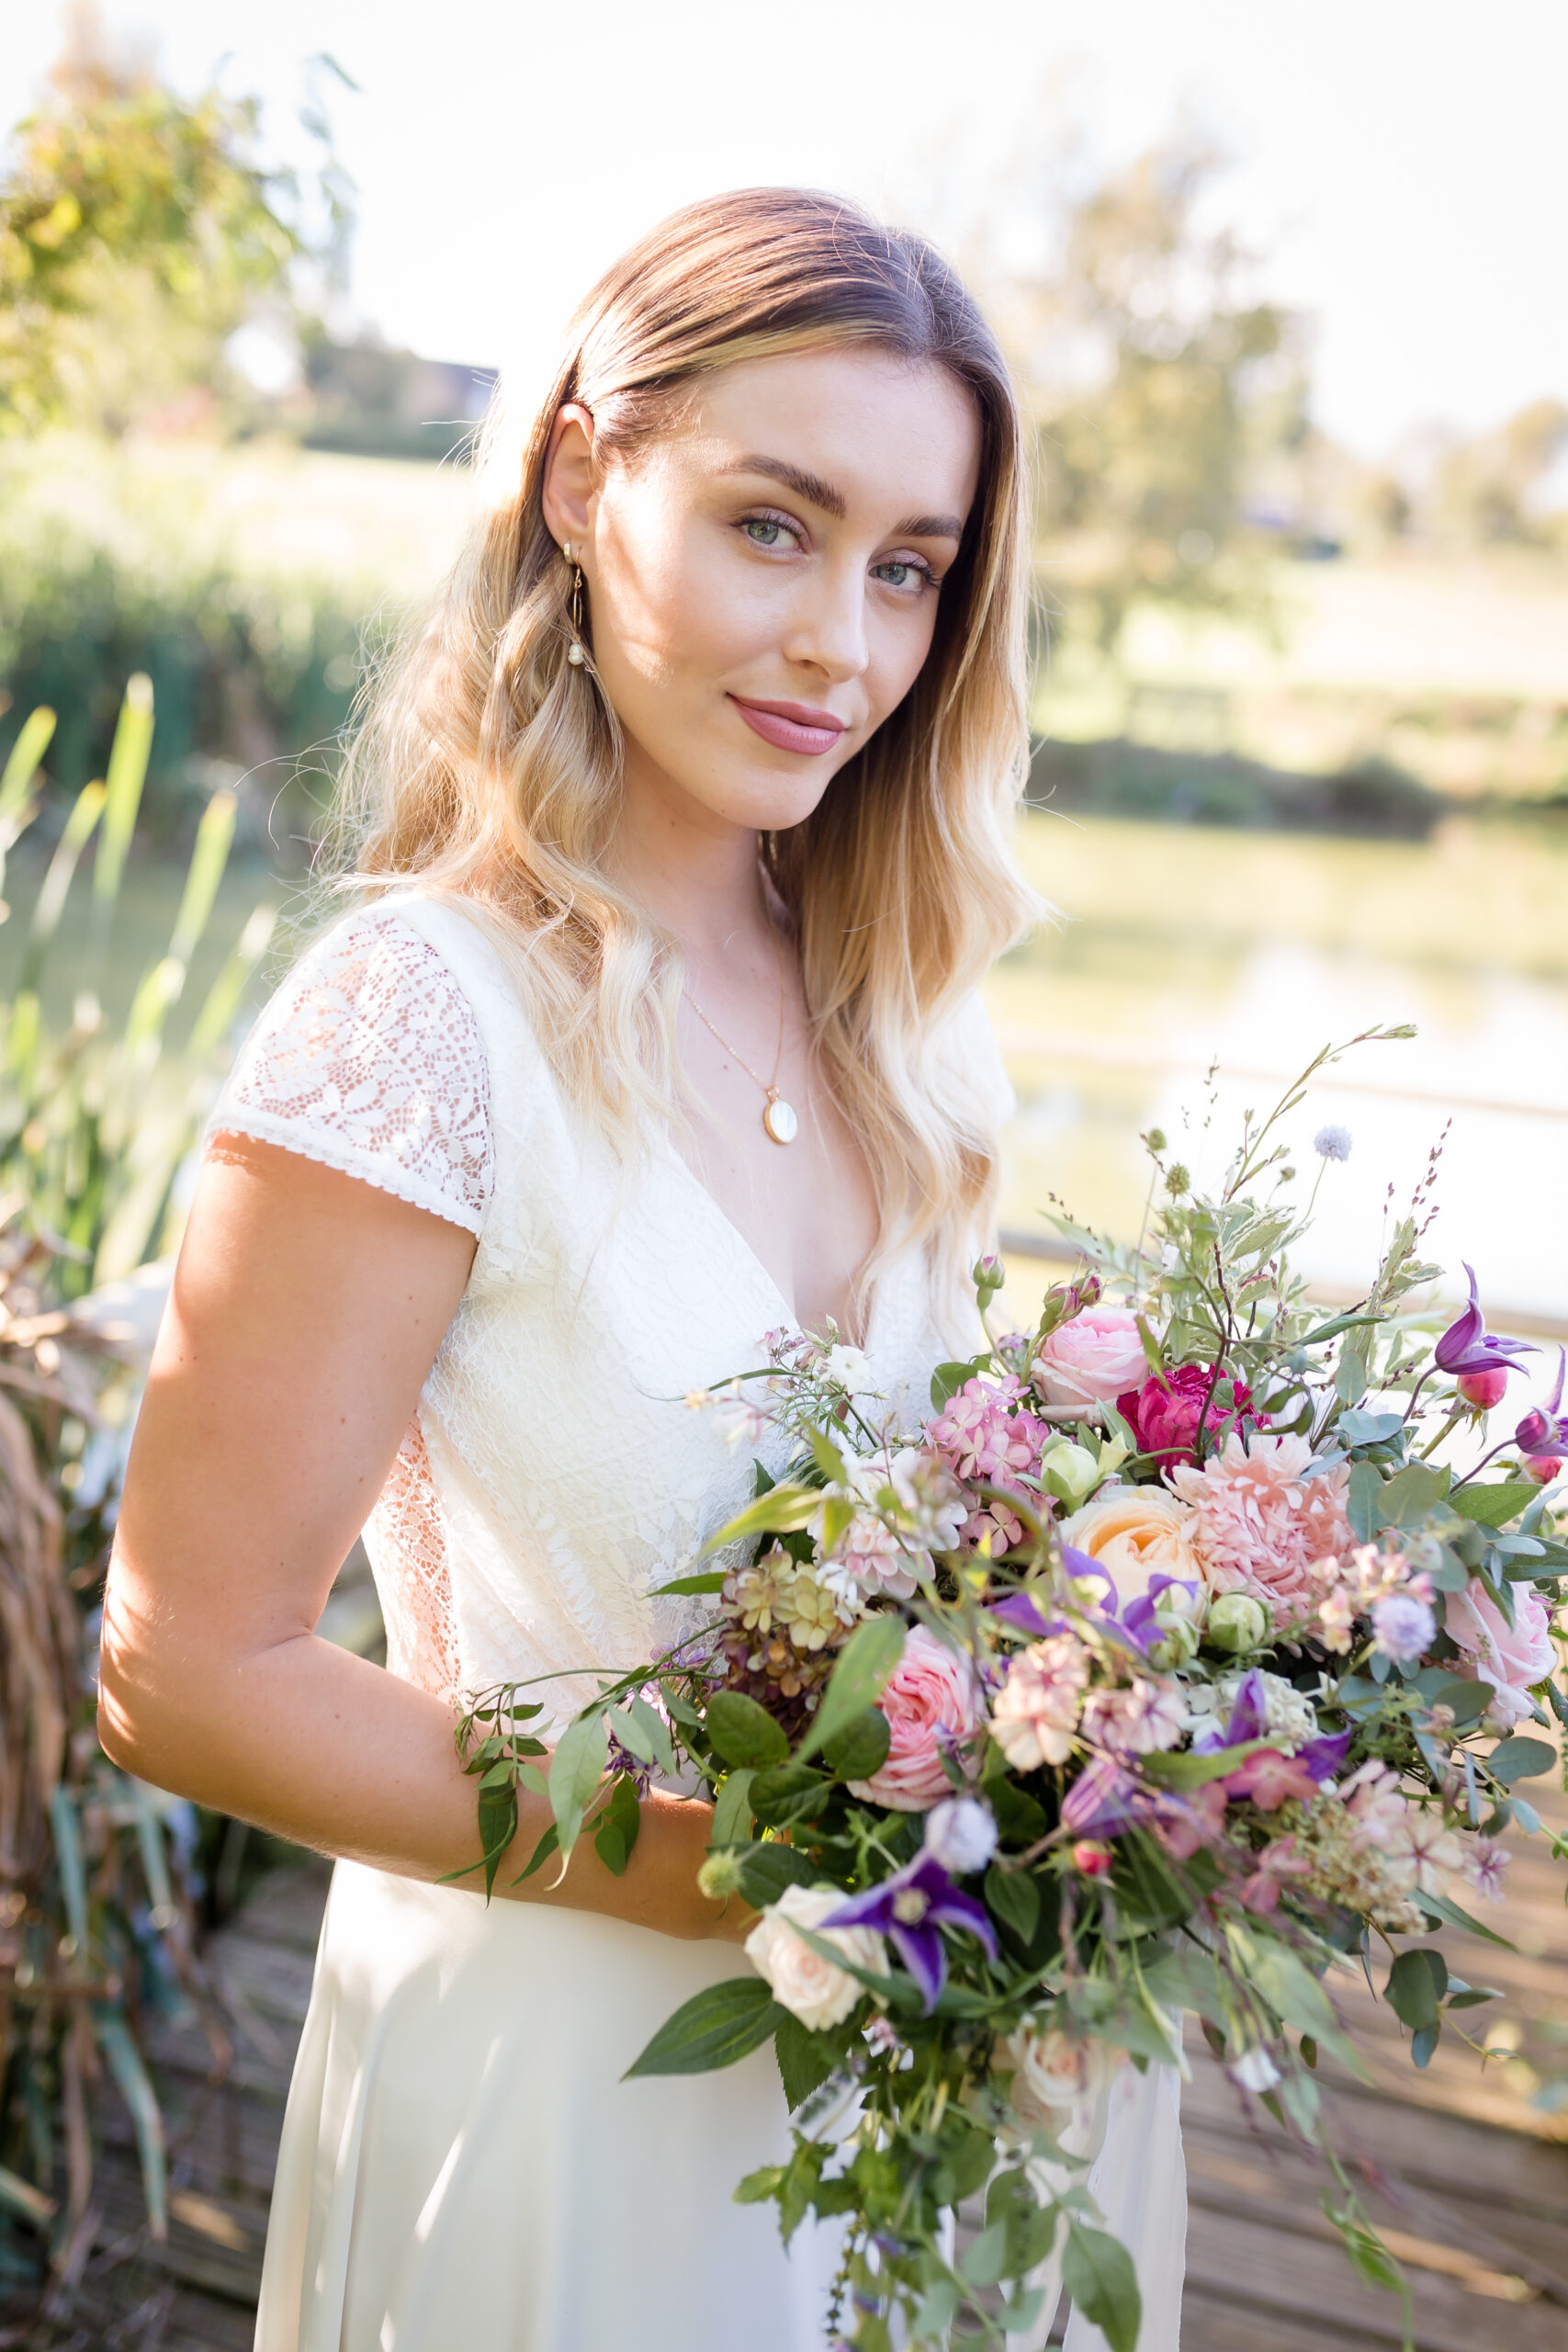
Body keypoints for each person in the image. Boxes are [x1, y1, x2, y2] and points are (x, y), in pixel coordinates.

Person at [98, 187, 1185, 2352]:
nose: (843, 648)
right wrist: (767, 1880)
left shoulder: (900, 1010)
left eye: (907, 569)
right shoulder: (422, 1019)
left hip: (942, 2124)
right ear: (588, 480)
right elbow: (184, 1670)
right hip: (569, 2111)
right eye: (771, 526)